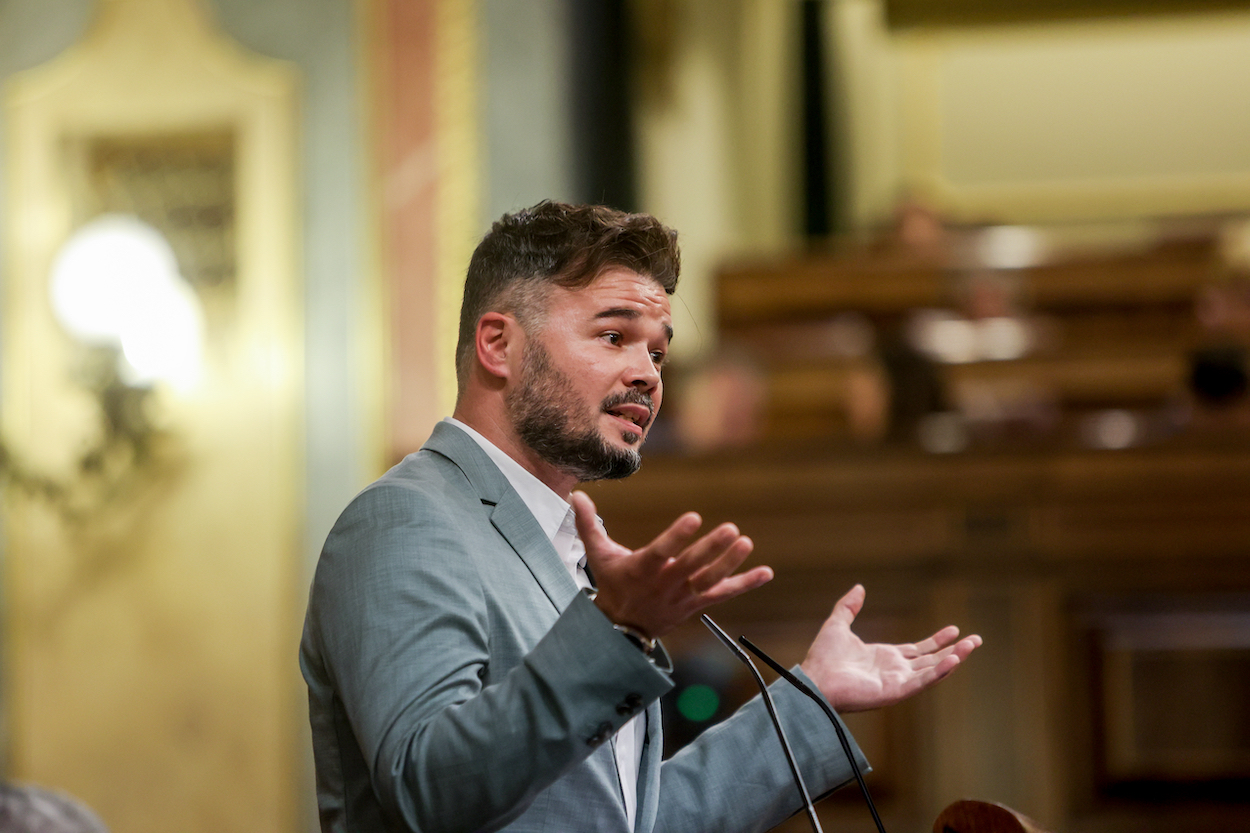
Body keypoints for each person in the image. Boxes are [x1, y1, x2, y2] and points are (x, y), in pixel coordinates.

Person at [300, 201, 981, 833]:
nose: (649, 373)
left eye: (657, 350)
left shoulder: (559, 543)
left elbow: (623, 822)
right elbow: (431, 787)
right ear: (498, 345)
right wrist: (617, 630)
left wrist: (809, 703)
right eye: (614, 335)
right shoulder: (405, 520)